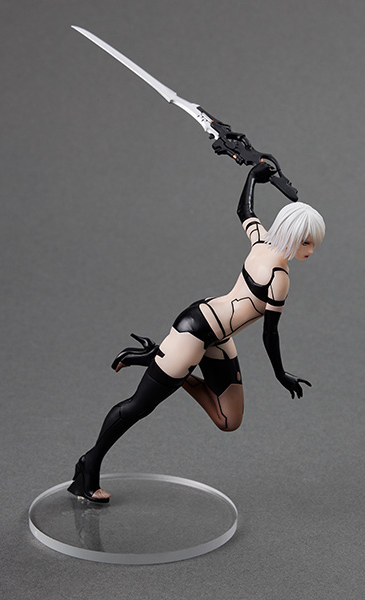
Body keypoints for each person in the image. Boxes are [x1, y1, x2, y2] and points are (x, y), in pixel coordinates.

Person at [68, 162, 326, 502]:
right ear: (291, 235)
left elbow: (245, 211)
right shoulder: (279, 278)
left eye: (314, 243)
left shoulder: (261, 241)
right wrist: (280, 374)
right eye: (307, 242)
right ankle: (88, 466)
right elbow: (270, 335)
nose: (311, 250)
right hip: (196, 330)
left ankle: (161, 359)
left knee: (228, 419)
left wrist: (252, 177)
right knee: (139, 406)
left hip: (217, 335)